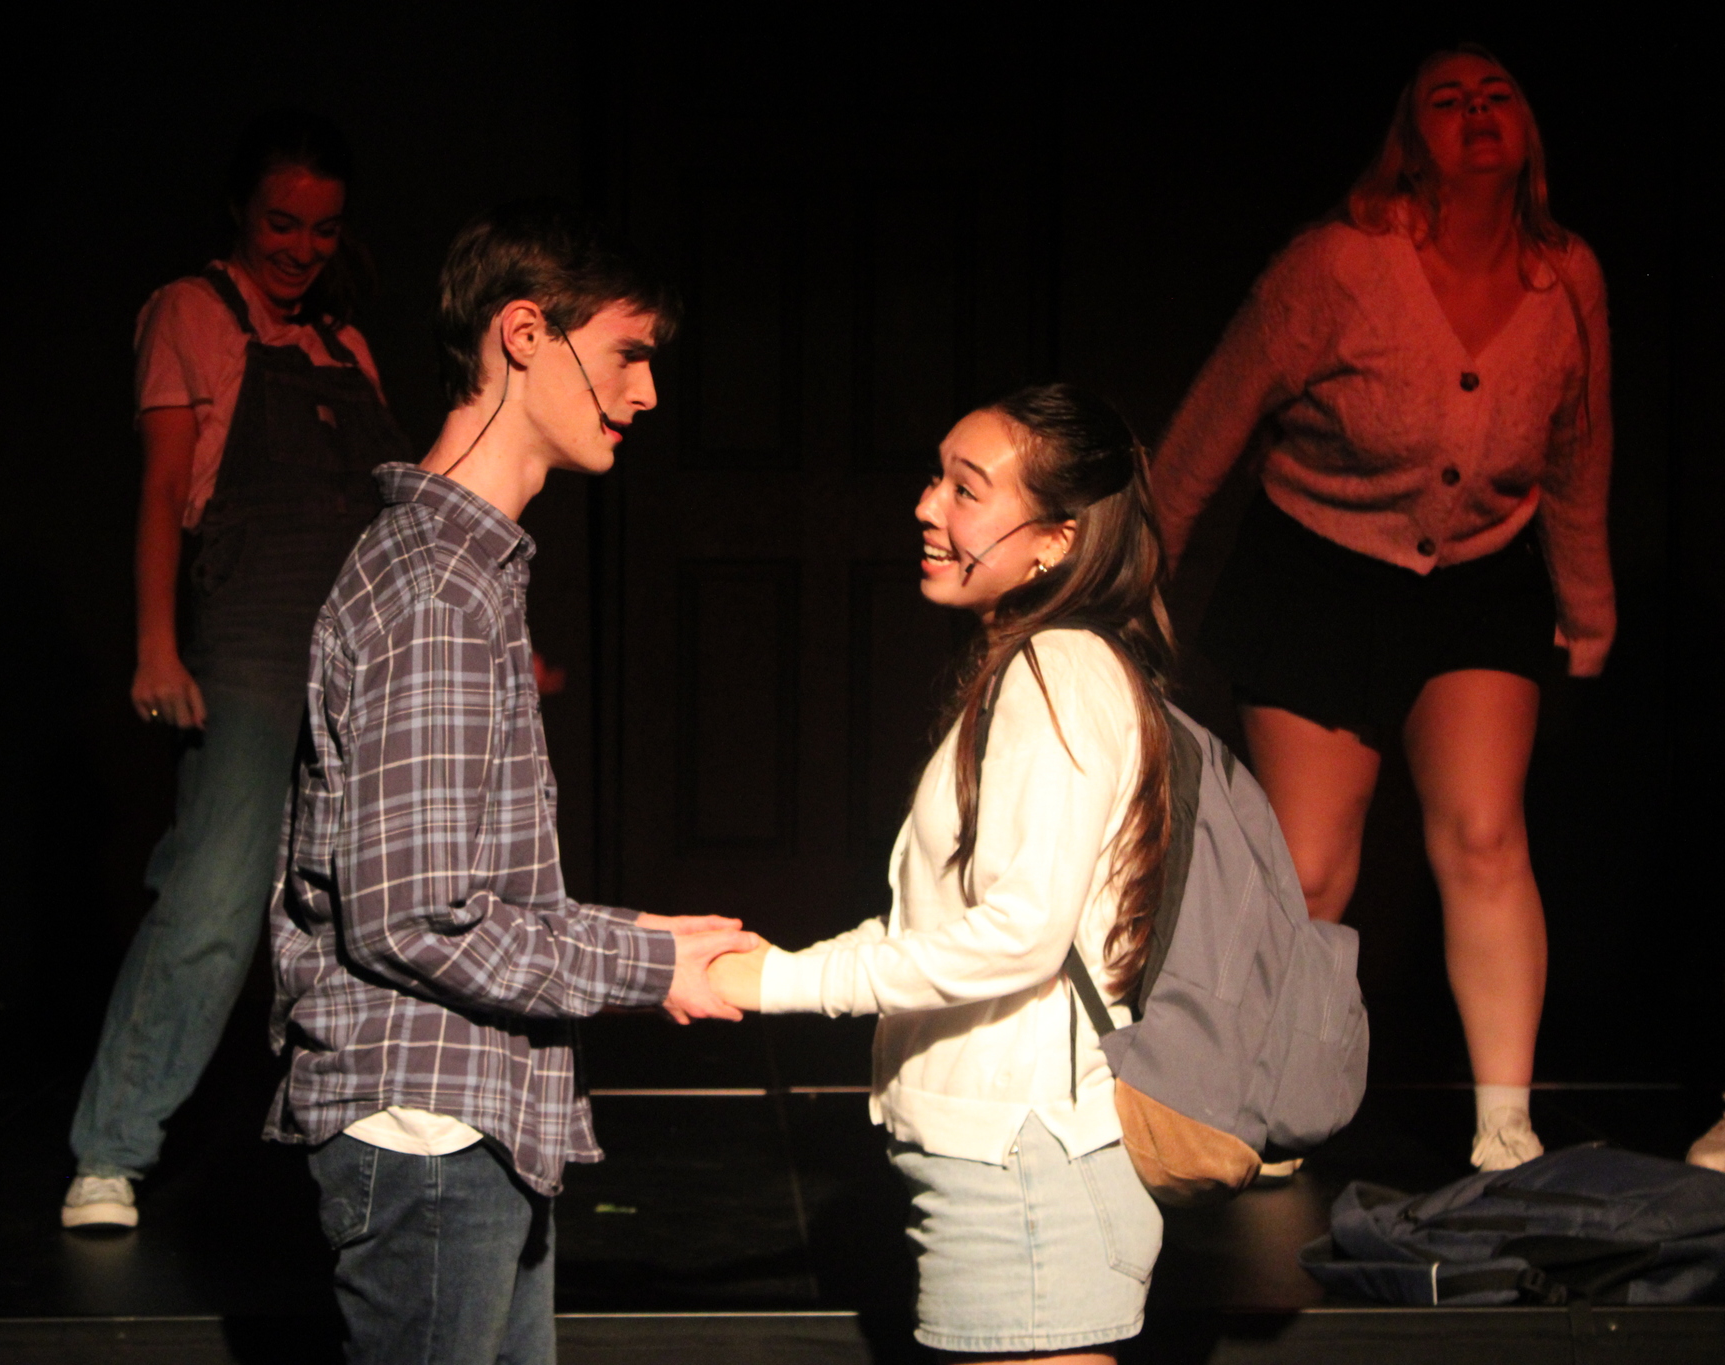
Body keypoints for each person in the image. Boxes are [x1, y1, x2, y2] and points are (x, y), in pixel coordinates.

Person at [267, 200, 759, 1365]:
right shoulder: (439, 589)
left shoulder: (461, 573)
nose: (646, 392)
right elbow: (414, 917)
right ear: (525, 333)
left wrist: (636, 936)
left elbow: (454, 887)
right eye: (627, 354)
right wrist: (643, 966)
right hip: (425, 1135)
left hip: (461, 1125)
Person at [1146, 46, 1611, 1173]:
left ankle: (1504, 1123)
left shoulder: (1566, 278)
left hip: (1477, 575)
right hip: (1321, 569)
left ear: (1529, 133)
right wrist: (1135, 569)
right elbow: (1211, 420)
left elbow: (1576, 453)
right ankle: (1269, 1106)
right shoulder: (1338, 265)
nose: (1477, 112)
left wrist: (1586, 609)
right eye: (1447, 100)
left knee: (1485, 832)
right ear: (1409, 141)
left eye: (1498, 95)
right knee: (1309, 864)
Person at [712, 384, 1173, 1364]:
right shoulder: (1031, 666)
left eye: (966, 489)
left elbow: (1019, 934)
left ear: (1056, 540)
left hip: (1024, 1165)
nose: (927, 506)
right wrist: (768, 969)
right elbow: (936, 924)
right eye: (935, 478)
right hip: (1001, 1161)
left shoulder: (1058, 671)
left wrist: (782, 982)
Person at [62, 109, 411, 1229]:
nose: (302, 248)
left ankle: (371, 1143)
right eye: (281, 222)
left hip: (359, 648)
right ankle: (111, 1151)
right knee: (214, 900)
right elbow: (163, 489)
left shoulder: (345, 347)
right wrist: (155, 645)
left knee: (375, 901)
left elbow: (393, 521)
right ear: (239, 212)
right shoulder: (190, 312)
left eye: (323, 228)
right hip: (251, 641)